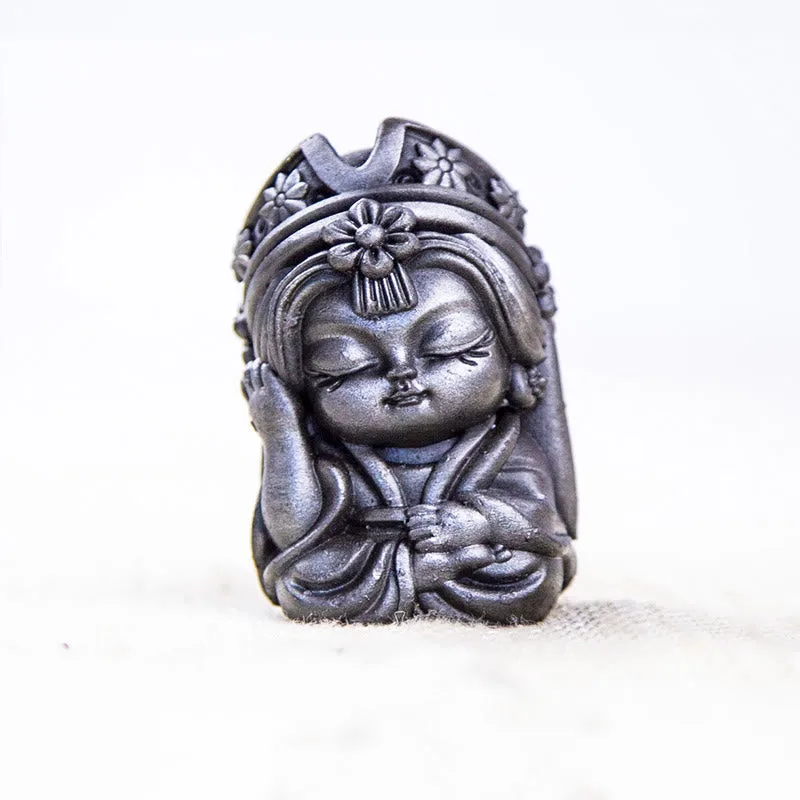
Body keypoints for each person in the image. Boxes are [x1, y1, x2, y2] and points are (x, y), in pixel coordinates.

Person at [232, 120, 577, 624]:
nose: (403, 375)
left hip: (472, 554)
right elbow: (295, 533)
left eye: (450, 348)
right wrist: (282, 433)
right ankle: (416, 575)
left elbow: (539, 526)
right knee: (308, 575)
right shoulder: (339, 456)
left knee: (523, 570)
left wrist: (478, 523)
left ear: (513, 350)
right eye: (346, 368)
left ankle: (427, 573)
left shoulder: (501, 447)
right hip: (363, 559)